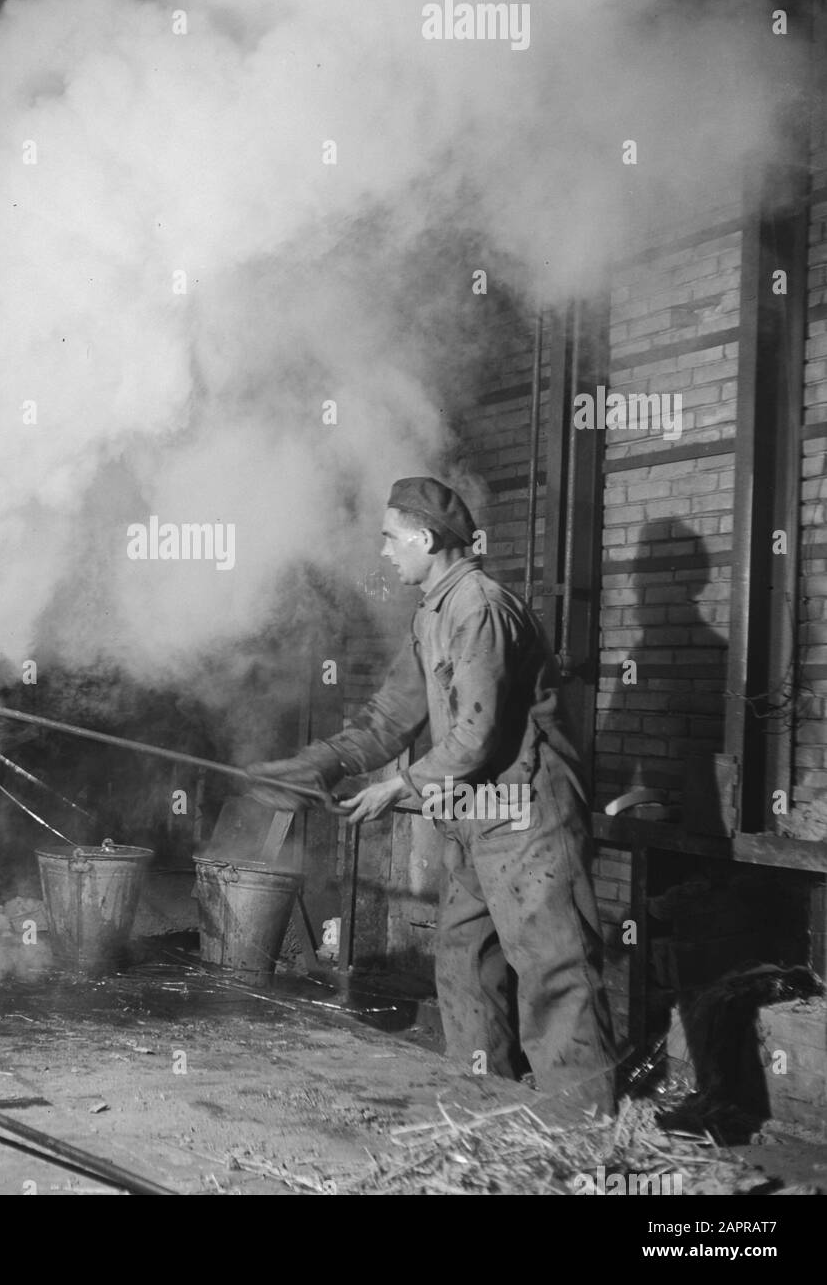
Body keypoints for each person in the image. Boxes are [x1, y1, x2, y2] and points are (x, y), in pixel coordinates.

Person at [248, 476, 617, 1114]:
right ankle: (486, 1107)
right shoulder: (432, 614)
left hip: (527, 816)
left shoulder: (480, 608)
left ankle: (584, 1131)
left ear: (423, 538)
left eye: (390, 538)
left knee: (554, 970)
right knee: (466, 962)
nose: (384, 552)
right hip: (474, 816)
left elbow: (476, 735)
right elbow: (391, 717)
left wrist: (398, 787)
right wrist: (320, 764)